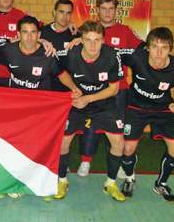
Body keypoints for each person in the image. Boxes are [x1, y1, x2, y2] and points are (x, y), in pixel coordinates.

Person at [0, 16, 79, 200]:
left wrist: (73, 88)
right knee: (13, 145)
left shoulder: (47, 55)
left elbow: (62, 74)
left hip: (41, 108)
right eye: (25, 32)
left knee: (41, 147)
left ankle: (44, 185)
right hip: (16, 107)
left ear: (39, 35)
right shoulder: (7, 50)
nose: (29, 37)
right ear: (18, 34)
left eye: (33, 32)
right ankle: (8, 182)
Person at [118, 27, 174, 202]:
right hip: (136, 106)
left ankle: (161, 183)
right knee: (127, 148)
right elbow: (111, 52)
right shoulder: (137, 56)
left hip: (163, 108)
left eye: (164, 47)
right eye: (154, 46)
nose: (159, 52)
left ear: (170, 49)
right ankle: (130, 178)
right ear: (147, 47)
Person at [54, 21, 126, 202]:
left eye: (97, 40)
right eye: (88, 40)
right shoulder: (72, 53)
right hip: (77, 103)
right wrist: (73, 88)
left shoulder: (112, 55)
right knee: (63, 142)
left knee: (118, 143)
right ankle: (61, 180)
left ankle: (110, 183)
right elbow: (61, 73)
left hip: (103, 103)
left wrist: (87, 99)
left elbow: (113, 89)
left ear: (103, 40)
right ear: (81, 40)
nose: (93, 45)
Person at [76, 0, 143, 178]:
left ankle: (119, 163)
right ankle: (85, 161)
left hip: (118, 89)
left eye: (111, 9)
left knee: (116, 128)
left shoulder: (126, 31)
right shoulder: (86, 30)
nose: (107, 13)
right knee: (89, 126)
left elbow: (142, 53)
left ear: (116, 10)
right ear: (97, 9)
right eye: (103, 9)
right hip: (93, 88)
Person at [40, 0, 76, 91]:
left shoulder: (77, 35)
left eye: (68, 13)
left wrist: (82, 39)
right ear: (54, 13)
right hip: (46, 86)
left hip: (69, 87)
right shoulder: (42, 32)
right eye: (61, 12)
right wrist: (40, 40)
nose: (64, 16)